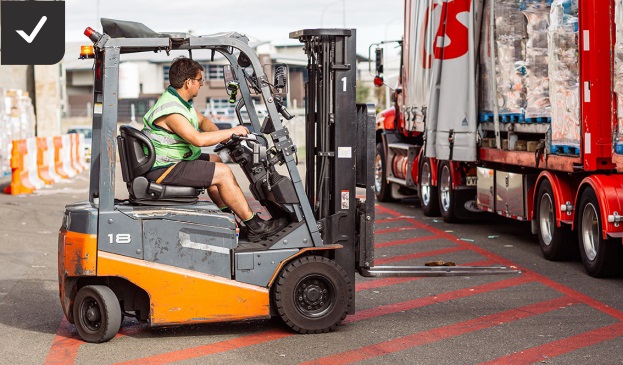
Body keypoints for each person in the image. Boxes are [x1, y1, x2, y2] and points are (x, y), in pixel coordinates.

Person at [142, 56, 287, 241]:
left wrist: (227, 138)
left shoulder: (178, 102)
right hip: (164, 168)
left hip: (173, 161)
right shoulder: (171, 110)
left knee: (216, 161)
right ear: (189, 83)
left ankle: (229, 218)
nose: (202, 84)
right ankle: (255, 225)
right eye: (200, 80)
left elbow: (202, 121)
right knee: (222, 172)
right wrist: (232, 131)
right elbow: (198, 140)